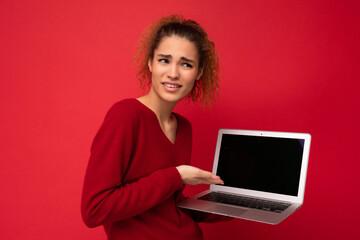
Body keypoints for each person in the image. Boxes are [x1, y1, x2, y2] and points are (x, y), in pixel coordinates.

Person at [81, 15, 225, 239]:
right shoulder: (126, 116)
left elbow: (168, 206)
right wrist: (176, 175)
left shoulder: (184, 127)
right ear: (150, 63)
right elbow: (96, 208)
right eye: (164, 60)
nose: (173, 73)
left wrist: (230, 205)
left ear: (198, 72)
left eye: (186, 64)